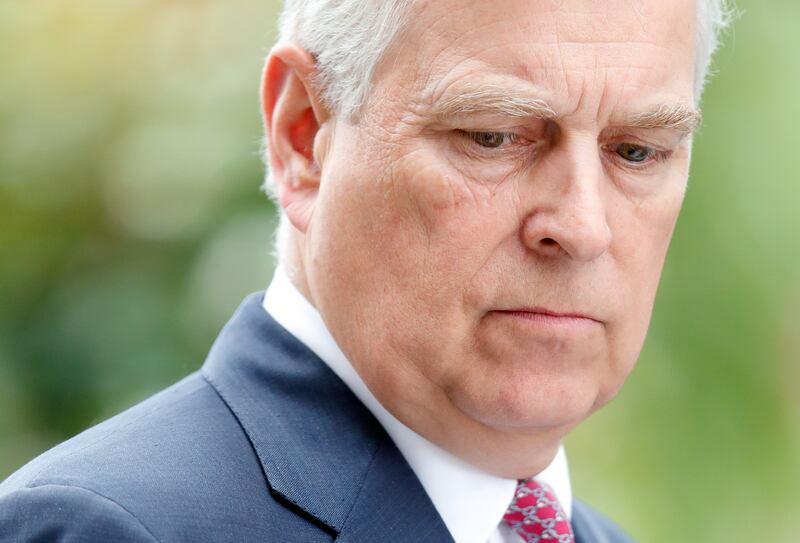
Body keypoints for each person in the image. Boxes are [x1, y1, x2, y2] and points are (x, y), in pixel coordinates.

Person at [0, 0, 731, 541]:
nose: (581, 226)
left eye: (638, 151)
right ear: (304, 136)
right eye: (494, 135)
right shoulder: (112, 528)